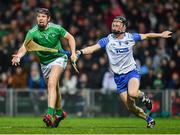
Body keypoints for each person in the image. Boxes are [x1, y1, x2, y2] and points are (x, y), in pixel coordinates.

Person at [77, 16, 172, 128]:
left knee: (132, 93)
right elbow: (92, 48)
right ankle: (149, 119)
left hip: (131, 72)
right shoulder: (107, 40)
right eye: (113, 24)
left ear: (124, 27)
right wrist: (80, 52)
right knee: (130, 107)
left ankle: (143, 96)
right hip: (118, 77)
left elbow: (146, 35)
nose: (114, 26)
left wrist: (161, 35)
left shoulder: (131, 37)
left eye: (117, 24)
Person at [11, 8, 78, 128]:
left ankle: (49, 114)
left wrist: (73, 53)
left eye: (43, 16)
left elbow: (70, 38)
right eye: (38, 16)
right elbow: (25, 47)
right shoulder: (32, 32)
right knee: (54, 88)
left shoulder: (56, 28)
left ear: (48, 19)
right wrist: (19, 56)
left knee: (51, 83)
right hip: (44, 63)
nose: (40, 18)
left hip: (59, 58)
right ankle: (59, 113)